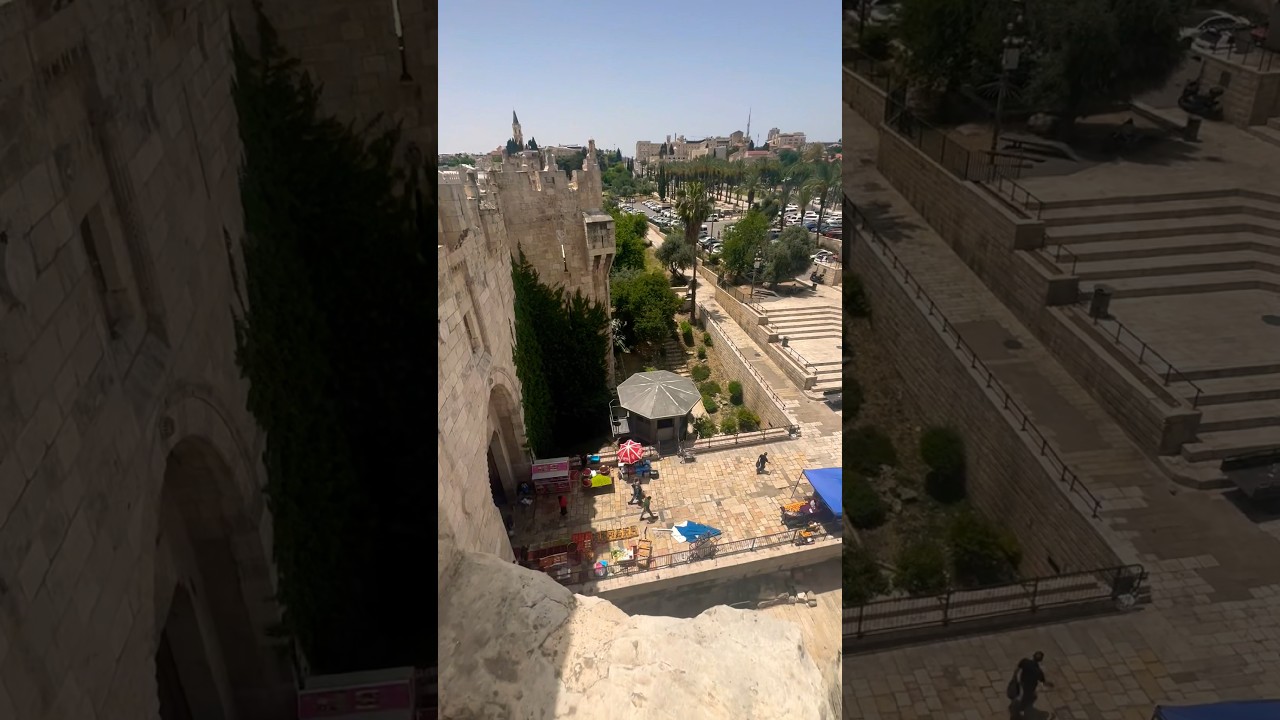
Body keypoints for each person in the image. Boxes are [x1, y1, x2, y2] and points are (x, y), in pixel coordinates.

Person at [1011, 651, 1053, 718]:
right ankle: (1020, 710)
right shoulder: (1039, 672)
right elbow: (1043, 682)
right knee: (1027, 698)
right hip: (1030, 687)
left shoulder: (1025, 661)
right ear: (1041, 661)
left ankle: (1018, 704)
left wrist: (1014, 678)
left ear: (1033, 656)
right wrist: (1049, 684)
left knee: (1027, 695)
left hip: (1022, 681)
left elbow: (1017, 669)